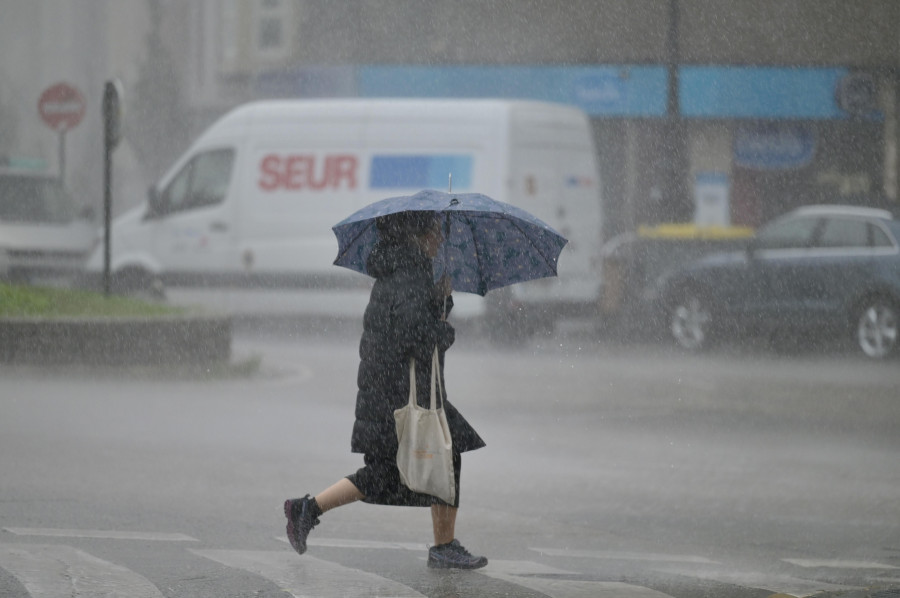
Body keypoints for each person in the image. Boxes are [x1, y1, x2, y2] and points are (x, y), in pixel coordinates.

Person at [283, 209, 487, 569]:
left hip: (387, 390)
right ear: (418, 236)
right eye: (435, 232)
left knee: (400, 468)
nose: (440, 239)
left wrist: (442, 299)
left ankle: (307, 509)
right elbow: (414, 334)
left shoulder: (402, 270)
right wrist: (444, 329)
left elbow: (410, 322)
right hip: (398, 394)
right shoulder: (410, 273)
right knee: (430, 459)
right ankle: (443, 546)